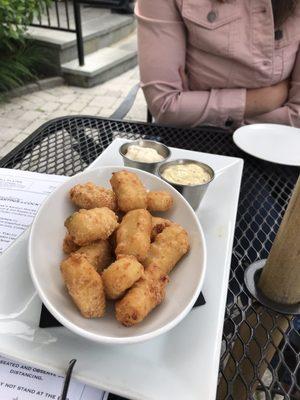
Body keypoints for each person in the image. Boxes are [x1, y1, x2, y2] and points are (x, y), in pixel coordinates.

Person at [136, 0, 300, 128]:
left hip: (279, 148)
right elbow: (165, 106)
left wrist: (194, 109)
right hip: (193, 144)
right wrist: (264, 101)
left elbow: (297, 116)